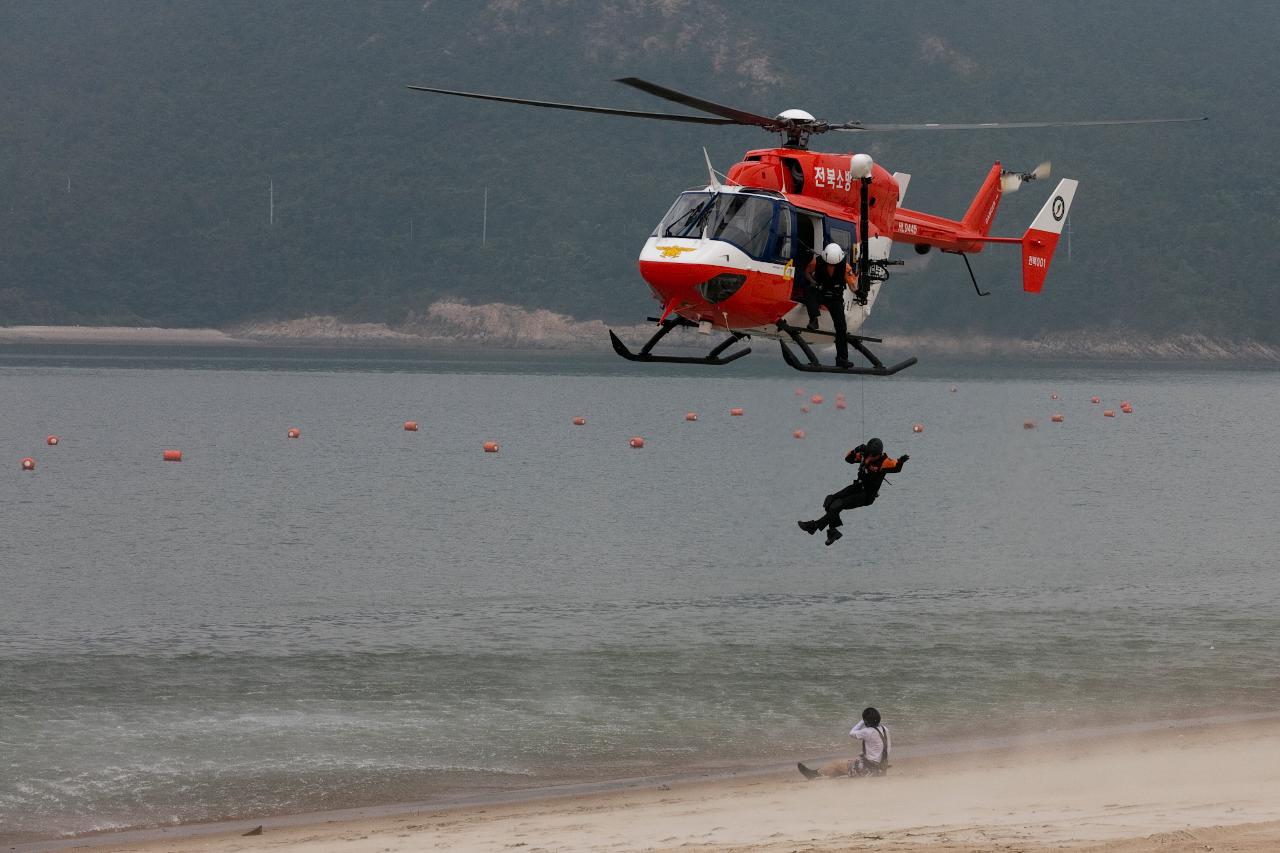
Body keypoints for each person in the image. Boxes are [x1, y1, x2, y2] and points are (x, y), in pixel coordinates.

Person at [797, 438, 908, 546]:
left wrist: (901, 461)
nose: (871, 457)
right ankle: (833, 531)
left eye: (873, 455)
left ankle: (815, 526)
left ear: (879, 454)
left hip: (867, 495)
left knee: (837, 504)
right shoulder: (865, 455)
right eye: (870, 454)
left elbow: (896, 467)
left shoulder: (884, 462)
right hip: (857, 486)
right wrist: (856, 450)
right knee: (830, 500)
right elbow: (848, 459)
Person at [802, 242, 859, 368]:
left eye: (834, 264)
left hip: (835, 298)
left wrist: (858, 292)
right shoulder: (816, 261)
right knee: (809, 290)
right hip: (820, 292)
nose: (831, 266)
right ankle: (814, 320)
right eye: (829, 264)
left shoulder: (846, 267)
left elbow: (852, 284)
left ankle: (842, 359)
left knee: (841, 328)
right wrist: (814, 282)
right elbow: (807, 272)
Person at [798, 707, 891, 779]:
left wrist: (862, 721)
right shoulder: (885, 729)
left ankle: (814, 774)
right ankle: (822, 775)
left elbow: (851, 732)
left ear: (866, 721)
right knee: (847, 764)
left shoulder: (867, 731)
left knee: (836, 764)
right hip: (881, 769)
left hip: (870, 770)